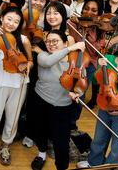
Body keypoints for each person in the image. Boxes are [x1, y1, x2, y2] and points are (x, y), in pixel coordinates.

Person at [0, 7, 33, 166]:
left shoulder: (23, 39)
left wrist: (28, 65)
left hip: (19, 83)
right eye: (9, 19)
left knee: (13, 117)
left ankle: (5, 145)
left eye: (16, 21)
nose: (12, 24)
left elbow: (30, 60)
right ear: (1, 18)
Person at [29, 30, 85, 170]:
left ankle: (62, 166)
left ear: (65, 42)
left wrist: (77, 92)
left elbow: (80, 83)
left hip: (62, 105)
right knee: (40, 130)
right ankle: (41, 154)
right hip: (40, 100)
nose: (51, 44)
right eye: (48, 41)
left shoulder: (75, 62)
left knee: (61, 140)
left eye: (55, 41)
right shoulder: (43, 56)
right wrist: (70, 48)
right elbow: (48, 62)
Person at [76, 45, 118, 168]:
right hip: (104, 103)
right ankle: (94, 162)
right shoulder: (108, 58)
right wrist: (100, 67)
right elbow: (96, 80)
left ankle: (110, 165)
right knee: (99, 138)